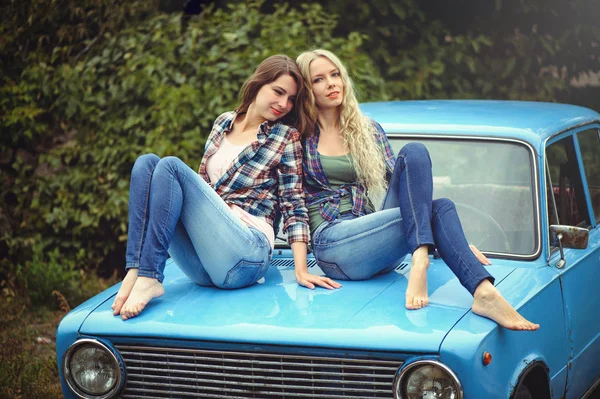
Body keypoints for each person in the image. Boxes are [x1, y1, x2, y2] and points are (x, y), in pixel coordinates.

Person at [295, 49, 539, 331]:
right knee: (435, 212)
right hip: (335, 246)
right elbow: (292, 204)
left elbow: (408, 187)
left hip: (377, 249)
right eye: (319, 79)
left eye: (335, 74)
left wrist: (451, 238)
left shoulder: (367, 129)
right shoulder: (298, 136)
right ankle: (431, 257)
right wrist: (301, 269)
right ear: (306, 89)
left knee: (421, 165)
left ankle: (472, 286)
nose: (332, 83)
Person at [111, 55, 313, 320]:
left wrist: (301, 269)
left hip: (246, 254)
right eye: (278, 92)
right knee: (146, 164)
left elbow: (293, 203)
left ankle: (149, 276)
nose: (284, 104)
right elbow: (202, 189)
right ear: (258, 83)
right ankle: (136, 270)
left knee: (170, 166)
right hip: (204, 265)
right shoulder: (223, 123)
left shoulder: (285, 137)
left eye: (291, 99)